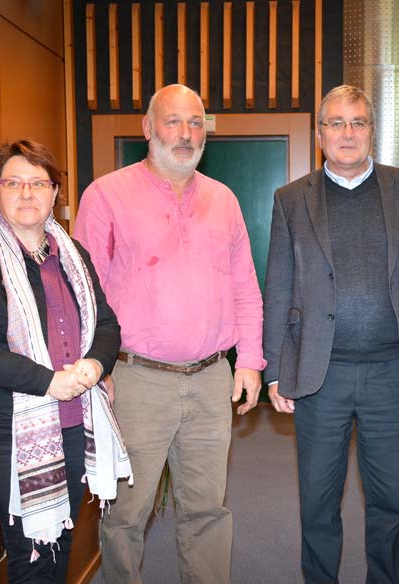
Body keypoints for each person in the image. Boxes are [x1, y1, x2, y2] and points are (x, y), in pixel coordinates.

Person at [74, 83, 265, 584]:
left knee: (207, 511)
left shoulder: (223, 200)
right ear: (148, 128)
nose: (185, 134)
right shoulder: (105, 195)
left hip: (210, 380)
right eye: (173, 121)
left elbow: (246, 285)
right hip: (135, 381)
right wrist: (97, 369)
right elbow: (82, 294)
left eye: (196, 123)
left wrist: (249, 361)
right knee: (126, 514)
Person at [262, 84, 399, 584]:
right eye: (336, 123)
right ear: (319, 132)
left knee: (389, 505)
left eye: (358, 122)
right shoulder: (291, 199)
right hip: (320, 376)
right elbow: (277, 286)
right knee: (318, 505)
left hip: (392, 373)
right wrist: (276, 369)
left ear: (371, 131)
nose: (347, 133)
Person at [0, 140, 131, 584]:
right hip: (7, 426)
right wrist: (47, 382)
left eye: (38, 183)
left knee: (60, 542)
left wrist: (95, 367)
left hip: (73, 417)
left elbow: (107, 325)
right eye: (14, 183)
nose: (27, 193)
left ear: (56, 192)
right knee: (30, 552)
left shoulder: (74, 257)